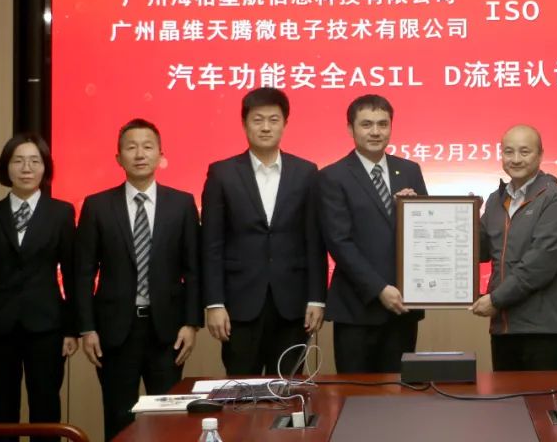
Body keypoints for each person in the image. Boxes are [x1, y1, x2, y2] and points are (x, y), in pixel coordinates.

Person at [75, 119, 201, 441]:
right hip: (115, 332)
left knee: (169, 422)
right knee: (119, 419)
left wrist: (191, 323)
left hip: (167, 332)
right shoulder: (97, 205)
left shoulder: (182, 204)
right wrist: (87, 328)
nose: (140, 154)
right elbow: (84, 272)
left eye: (147, 147)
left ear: (161, 154)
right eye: (131, 147)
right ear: (119, 157)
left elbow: (193, 269)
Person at [201, 87, 326, 376]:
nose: (266, 127)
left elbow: (314, 241)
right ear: (244, 123)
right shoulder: (222, 173)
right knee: (241, 388)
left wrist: (317, 298)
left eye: (273, 119)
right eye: (258, 120)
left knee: (289, 387)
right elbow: (211, 244)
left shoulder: (306, 172)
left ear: (285, 124)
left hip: (293, 304)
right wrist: (214, 303)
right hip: (239, 305)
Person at [0, 133, 77, 442]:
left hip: (47, 327)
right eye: (18, 161)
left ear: (45, 167)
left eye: (34, 161)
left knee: (46, 411)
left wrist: (71, 329)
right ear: (6, 167)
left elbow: (72, 274)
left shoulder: (61, 213)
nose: (26, 168)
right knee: (1, 413)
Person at [319, 94, 427, 373]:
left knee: (399, 390)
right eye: (366, 124)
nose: (376, 131)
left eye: (383, 124)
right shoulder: (333, 176)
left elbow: (426, 234)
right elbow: (339, 242)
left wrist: (415, 210)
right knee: (355, 394)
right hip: (357, 309)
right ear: (350, 129)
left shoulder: (410, 170)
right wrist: (379, 289)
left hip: (403, 307)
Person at [473, 125, 557, 371]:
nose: (516, 159)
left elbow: (540, 264)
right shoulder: (496, 200)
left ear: (540, 155)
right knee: (506, 396)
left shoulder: (555, 199)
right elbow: (481, 251)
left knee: (544, 396)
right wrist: (465, 218)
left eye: (525, 151)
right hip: (504, 327)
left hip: (543, 329)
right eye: (509, 152)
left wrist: (496, 299)